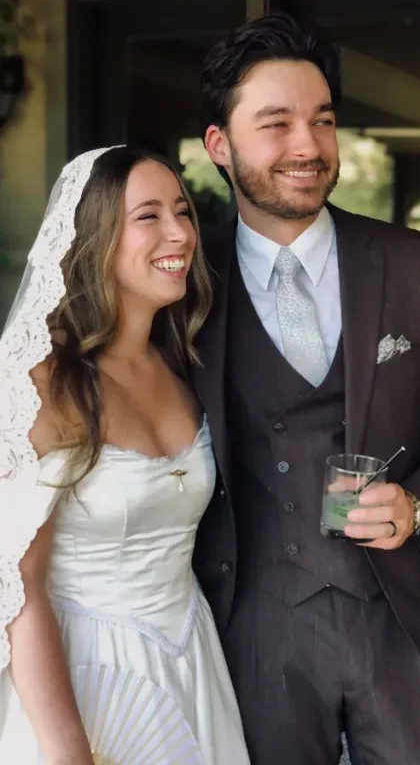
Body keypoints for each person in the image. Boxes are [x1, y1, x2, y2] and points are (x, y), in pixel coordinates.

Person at [191, 14, 420, 765]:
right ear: (219, 147)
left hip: (402, 619)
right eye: (277, 124)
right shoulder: (186, 288)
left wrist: (419, 501)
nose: (308, 146)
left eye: (323, 121)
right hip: (253, 627)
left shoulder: (414, 264)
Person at [0, 146, 250, 763]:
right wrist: (68, 753)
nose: (179, 234)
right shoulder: (40, 382)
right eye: (148, 216)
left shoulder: (180, 363)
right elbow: (17, 589)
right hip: (90, 680)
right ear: (97, 239)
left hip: (192, 660)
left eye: (183, 211)